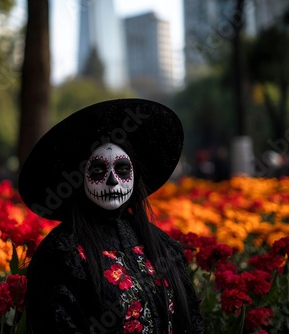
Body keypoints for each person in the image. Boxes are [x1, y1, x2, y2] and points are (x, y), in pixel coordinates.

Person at [18, 99, 205, 334]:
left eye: (123, 169)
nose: (112, 180)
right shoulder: (61, 256)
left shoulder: (161, 244)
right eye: (98, 170)